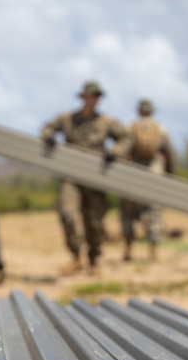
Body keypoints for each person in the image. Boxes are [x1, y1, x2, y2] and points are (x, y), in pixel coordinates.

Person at [41, 81, 129, 275]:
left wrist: (114, 152)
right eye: (90, 96)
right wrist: (48, 137)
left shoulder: (106, 122)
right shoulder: (68, 119)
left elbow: (126, 138)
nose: (93, 100)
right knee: (68, 214)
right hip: (71, 176)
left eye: (96, 97)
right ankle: (76, 257)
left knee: (95, 222)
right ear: (83, 98)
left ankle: (94, 260)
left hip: (96, 179)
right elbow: (47, 128)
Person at [117, 99, 177, 262]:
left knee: (128, 213)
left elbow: (122, 151)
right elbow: (170, 154)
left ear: (138, 111)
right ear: (152, 111)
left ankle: (128, 251)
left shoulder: (130, 128)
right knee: (154, 213)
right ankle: (154, 252)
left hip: (133, 176)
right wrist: (170, 176)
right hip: (154, 175)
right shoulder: (161, 130)